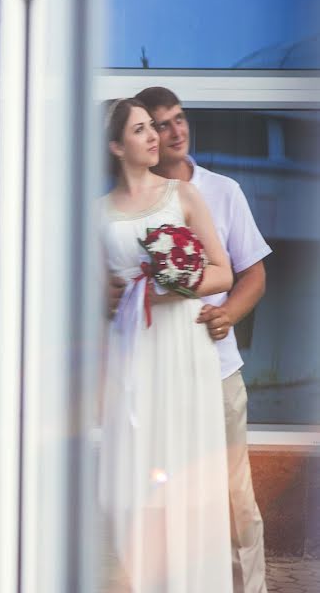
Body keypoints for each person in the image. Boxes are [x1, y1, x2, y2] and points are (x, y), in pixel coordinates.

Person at [132, 86, 271, 593]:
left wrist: (228, 313)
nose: (175, 131)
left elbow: (252, 275)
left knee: (236, 495)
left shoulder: (223, 191)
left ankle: (248, 588)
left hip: (218, 373)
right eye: (161, 124)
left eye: (179, 119)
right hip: (161, 375)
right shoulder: (134, 201)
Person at [100, 98, 234, 592]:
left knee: (184, 468)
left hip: (182, 348)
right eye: (140, 130)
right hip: (132, 354)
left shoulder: (183, 196)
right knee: (132, 481)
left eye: (153, 127)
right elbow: (97, 294)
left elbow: (222, 272)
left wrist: (174, 282)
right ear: (116, 146)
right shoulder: (97, 214)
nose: (155, 135)